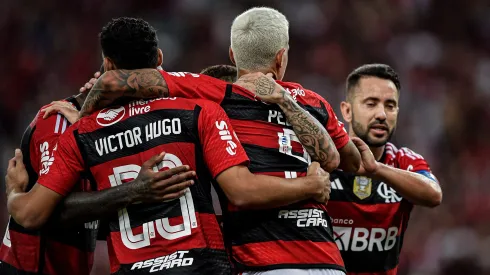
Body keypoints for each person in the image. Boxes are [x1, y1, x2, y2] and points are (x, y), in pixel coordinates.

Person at [5, 17, 331, 275]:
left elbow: (34, 213)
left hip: (131, 266)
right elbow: (241, 189)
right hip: (204, 263)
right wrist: (310, 185)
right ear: (159, 59)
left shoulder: (81, 131)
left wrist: (16, 192)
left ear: (106, 64)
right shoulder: (198, 112)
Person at [77, 7, 362, 275]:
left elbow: (111, 82)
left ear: (232, 56)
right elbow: (349, 161)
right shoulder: (313, 101)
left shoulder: (215, 93)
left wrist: (81, 121)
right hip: (327, 260)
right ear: (281, 57)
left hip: (260, 262)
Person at [0, 18, 202, 275]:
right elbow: (45, 212)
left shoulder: (120, 124)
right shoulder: (58, 122)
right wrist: (133, 191)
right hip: (30, 268)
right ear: (159, 59)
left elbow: (98, 215)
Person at [328, 64, 443, 275]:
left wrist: (376, 169)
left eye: (390, 106)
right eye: (371, 104)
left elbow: (434, 194)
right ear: (347, 110)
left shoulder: (404, 160)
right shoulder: (326, 158)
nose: (381, 114)